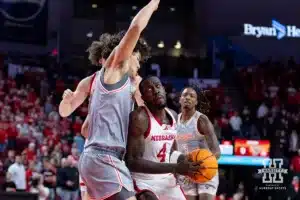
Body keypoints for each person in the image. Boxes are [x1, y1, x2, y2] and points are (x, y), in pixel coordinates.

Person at [59, 1, 160, 200]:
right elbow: (136, 27)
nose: (139, 63)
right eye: (136, 58)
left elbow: (86, 129)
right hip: (103, 157)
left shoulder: (129, 86)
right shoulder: (113, 71)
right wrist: (154, 3)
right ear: (126, 55)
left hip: (100, 157)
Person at [126, 76, 202, 200]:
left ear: (164, 90)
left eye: (157, 86)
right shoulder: (139, 118)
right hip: (143, 181)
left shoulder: (173, 115)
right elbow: (133, 162)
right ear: (143, 98)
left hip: (167, 179)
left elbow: (170, 152)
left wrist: (189, 161)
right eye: (149, 89)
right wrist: (176, 168)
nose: (156, 91)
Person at [176, 87, 221, 200]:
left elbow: (217, 151)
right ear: (180, 99)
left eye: (192, 96)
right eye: (185, 95)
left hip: (204, 168)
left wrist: (203, 164)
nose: (187, 98)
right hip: (187, 170)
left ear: (196, 102)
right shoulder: (174, 120)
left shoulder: (201, 120)